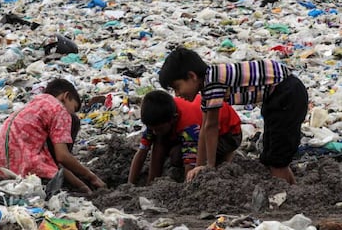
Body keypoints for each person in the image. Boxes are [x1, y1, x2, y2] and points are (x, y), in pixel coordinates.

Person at [158, 47, 308, 184]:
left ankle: (284, 200)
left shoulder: (212, 82)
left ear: (192, 76)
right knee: (271, 156)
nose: (177, 94)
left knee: (277, 159)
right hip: (277, 96)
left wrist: (209, 166)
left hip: (287, 94)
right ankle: (293, 191)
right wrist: (200, 166)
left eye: (177, 87)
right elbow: (204, 127)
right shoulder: (208, 86)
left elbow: (211, 126)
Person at [0, 78, 105, 194]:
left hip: (0, 168)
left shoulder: (35, 103)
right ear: (66, 96)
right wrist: (91, 177)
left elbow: (53, 160)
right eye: (74, 108)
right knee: (74, 121)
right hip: (27, 172)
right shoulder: (59, 109)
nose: (72, 113)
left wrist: (81, 185)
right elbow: (62, 157)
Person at [128, 90, 241, 185]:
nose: (154, 132)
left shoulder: (188, 124)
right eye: (152, 129)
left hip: (229, 135)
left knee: (177, 155)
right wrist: (130, 184)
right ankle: (151, 181)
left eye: (159, 129)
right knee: (159, 140)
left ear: (174, 119)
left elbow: (190, 160)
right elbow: (142, 152)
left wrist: (187, 184)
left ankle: (225, 157)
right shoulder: (157, 118)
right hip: (196, 130)